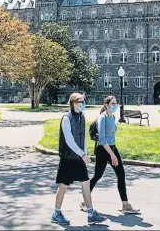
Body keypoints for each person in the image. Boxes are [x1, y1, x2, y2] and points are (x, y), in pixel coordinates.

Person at [52, 92, 106, 226]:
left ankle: (91, 213)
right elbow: (69, 139)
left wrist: (85, 154)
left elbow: (82, 139)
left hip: (79, 158)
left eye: (84, 101)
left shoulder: (82, 117)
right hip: (68, 158)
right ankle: (56, 213)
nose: (83, 104)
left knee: (86, 183)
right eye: (80, 101)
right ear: (73, 103)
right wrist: (82, 154)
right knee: (63, 186)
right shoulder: (66, 118)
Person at [80, 96, 140, 215]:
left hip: (112, 147)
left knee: (121, 174)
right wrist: (112, 155)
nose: (115, 105)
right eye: (113, 103)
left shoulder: (112, 116)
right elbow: (102, 139)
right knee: (97, 176)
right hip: (103, 150)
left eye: (116, 103)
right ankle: (84, 202)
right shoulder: (102, 117)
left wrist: (113, 152)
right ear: (107, 104)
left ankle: (125, 205)